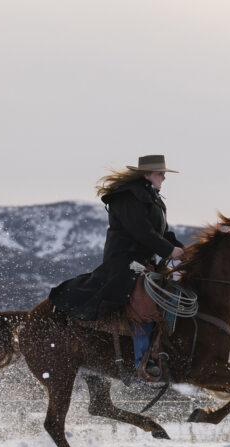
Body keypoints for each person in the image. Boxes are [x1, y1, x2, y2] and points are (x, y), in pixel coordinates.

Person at [49, 154, 185, 379]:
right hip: (125, 263)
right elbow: (142, 232)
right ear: (147, 174)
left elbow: (163, 232)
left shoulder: (153, 198)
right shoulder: (128, 198)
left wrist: (182, 249)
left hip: (144, 263)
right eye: (160, 173)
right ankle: (144, 360)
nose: (163, 177)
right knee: (145, 308)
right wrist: (169, 251)